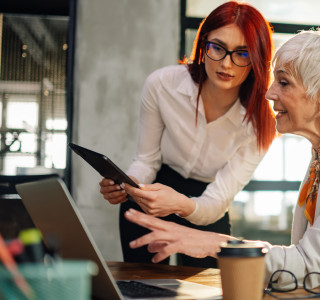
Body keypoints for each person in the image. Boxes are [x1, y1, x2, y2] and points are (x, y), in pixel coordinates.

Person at [122, 28, 320, 299]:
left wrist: (211, 243)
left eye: (283, 83)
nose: (269, 93)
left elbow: (308, 265)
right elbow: (306, 266)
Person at [98, 1, 276, 268]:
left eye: (242, 54)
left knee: (205, 292)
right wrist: (128, 185)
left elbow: (216, 201)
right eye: (217, 48)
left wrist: (180, 204)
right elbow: (146, 160)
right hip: (155, 189)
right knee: (143, 287)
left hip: (208, 202)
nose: (227, 64)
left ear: (257, 60)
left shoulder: (262, 124)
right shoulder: (162, 84)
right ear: (203, 44)